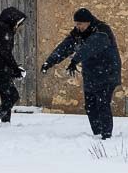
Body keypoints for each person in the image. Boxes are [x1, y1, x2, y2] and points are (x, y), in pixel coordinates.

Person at [41, 8, 122, 139]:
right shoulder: (78, 33)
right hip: (91, 74)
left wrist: (75, 60)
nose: (78, 27)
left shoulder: (102, 30)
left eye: (80, 24)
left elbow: (90, 46)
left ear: (88, 22)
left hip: (107, 73)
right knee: (90, 105)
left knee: (102, 103)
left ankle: (106, 135)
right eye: (76, 24)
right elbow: (65, 46)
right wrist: (49, 62)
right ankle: (97, 133)